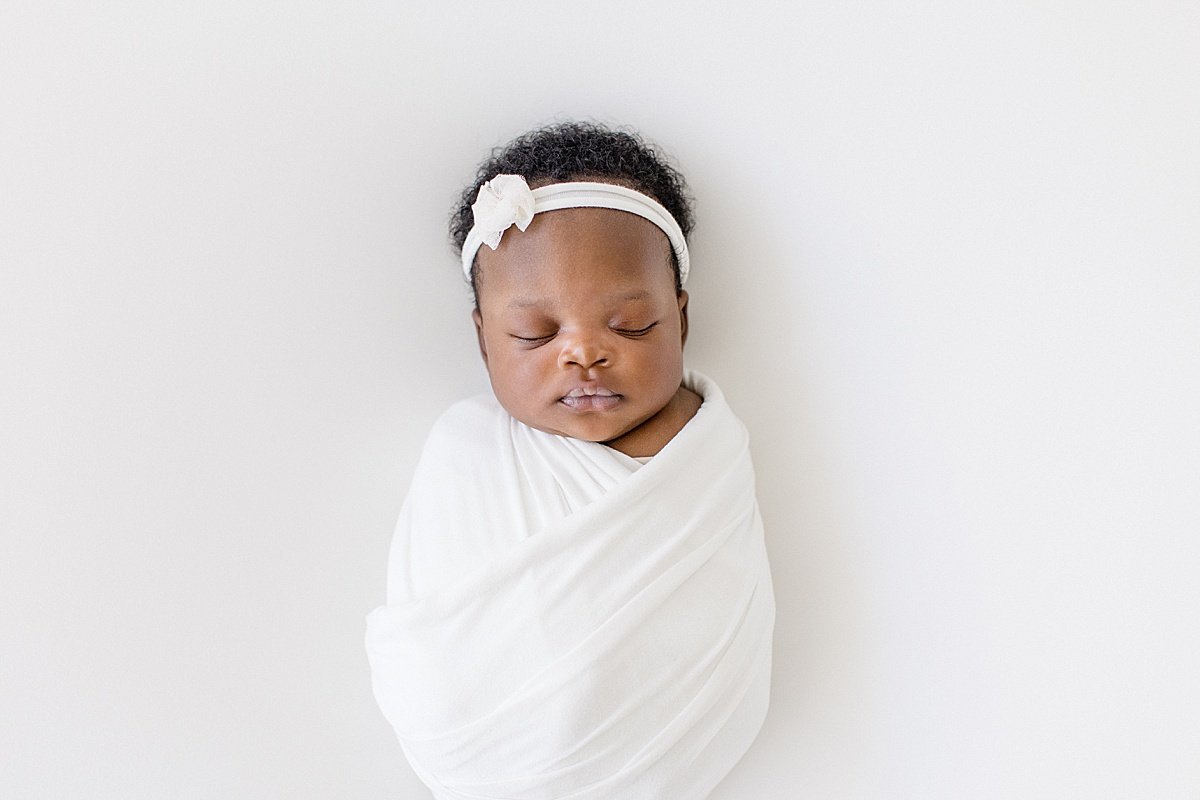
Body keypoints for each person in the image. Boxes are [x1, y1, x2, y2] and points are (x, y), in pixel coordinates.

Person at [365, 121, 776, 799]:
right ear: (482, 341)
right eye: (534, 333)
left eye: (632, 326)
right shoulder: (466, 450)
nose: (583, 352)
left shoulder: (702, 450)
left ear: (681, 320)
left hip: (664, 750)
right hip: (483, 753)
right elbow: (436, 643)